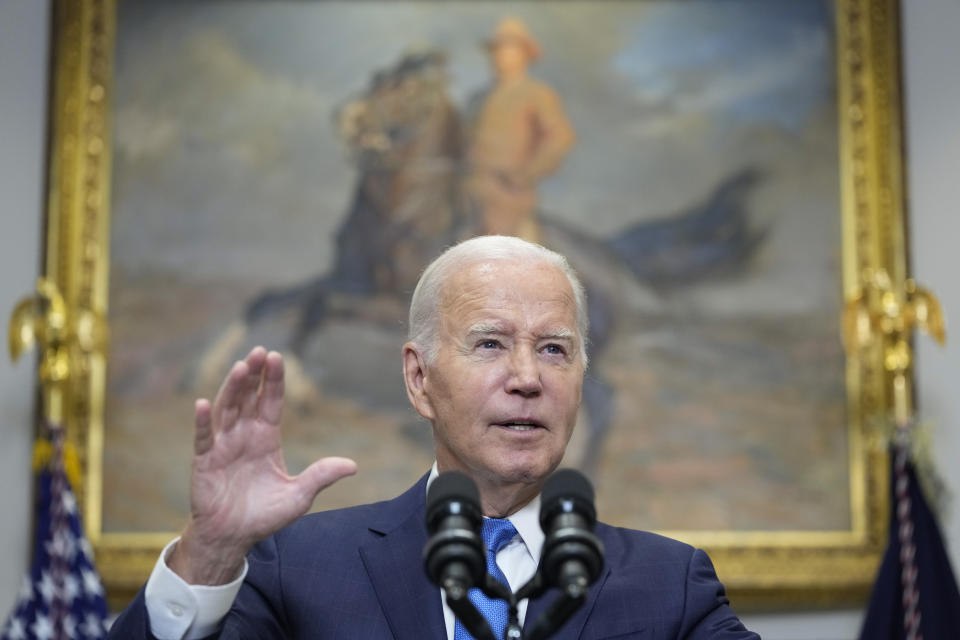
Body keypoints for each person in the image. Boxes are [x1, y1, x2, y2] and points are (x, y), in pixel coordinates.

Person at [109, 235, 758, 639]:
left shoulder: (669, 585)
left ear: (583, 378)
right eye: (490, 344)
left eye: (555, 350)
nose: (528, 378)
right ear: (419, 380)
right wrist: (211, 554)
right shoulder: (297, 570)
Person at [462, 18, 576, 244]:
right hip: (466, 196)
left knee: (499, 256)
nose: (499, 55)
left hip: (508, 197)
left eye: (508, 48)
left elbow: (561, 137)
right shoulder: (477, 99)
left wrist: (525, 174)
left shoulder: (536, 93)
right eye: (496, 49)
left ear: (524, 54)